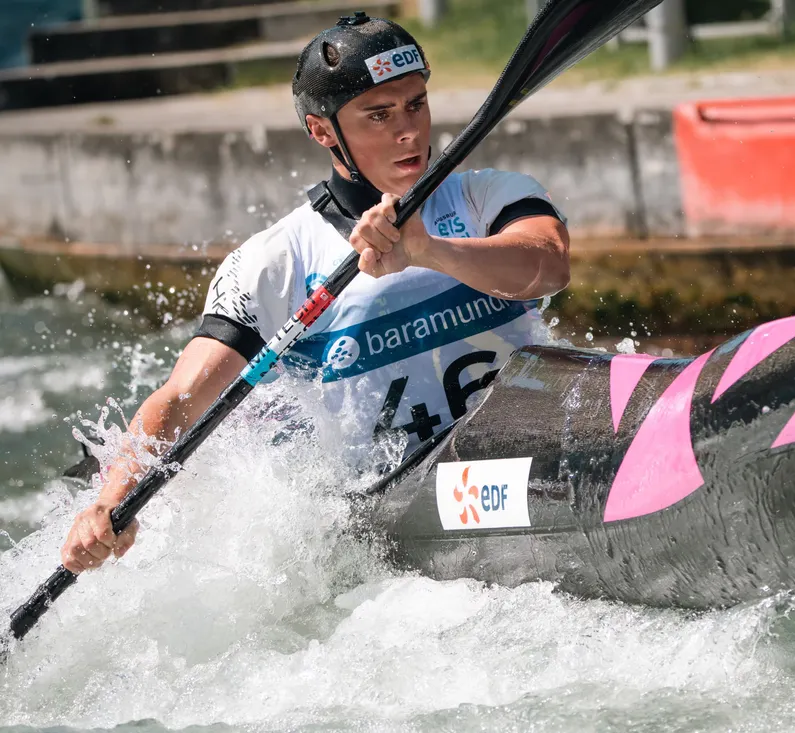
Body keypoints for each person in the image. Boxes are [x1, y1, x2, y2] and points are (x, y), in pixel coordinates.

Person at [59, 13, 570, 574]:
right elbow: (182, 397)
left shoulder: (488, 196)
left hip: (529, 449)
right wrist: (110, 501)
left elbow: (547, 268)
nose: (409, 131)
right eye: (379, 115)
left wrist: (432, 251)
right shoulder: (272, 262)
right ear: (323, 131)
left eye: (416, 104)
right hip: (397, 503)